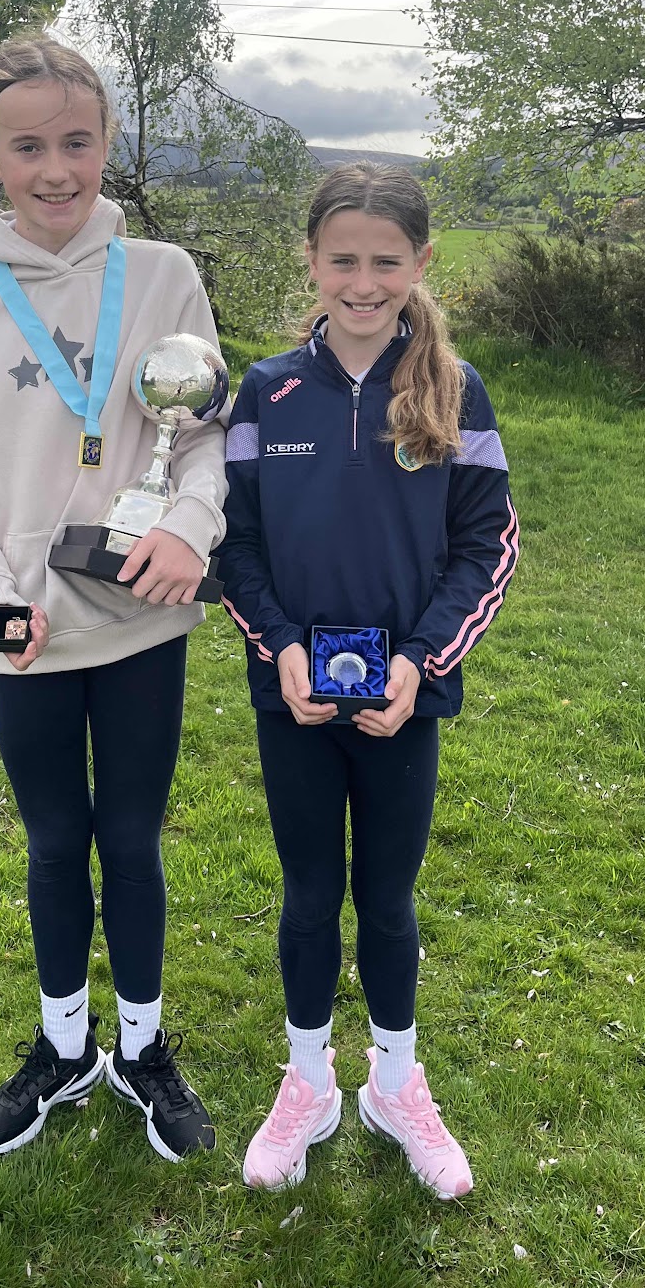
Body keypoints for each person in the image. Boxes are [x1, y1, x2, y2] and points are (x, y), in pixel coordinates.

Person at [0, 35, 226, 1163]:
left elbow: (204, 435)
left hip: (140, 618)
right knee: (53, 844)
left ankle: (139, 1047)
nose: (55, 169)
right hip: (25, 633)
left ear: (107, 143)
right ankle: (63, 1045)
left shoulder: (166, 274)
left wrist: (189, 526)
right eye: (28, 147)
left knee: (130, 840)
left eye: (77, 142)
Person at [218, 163, 518, 1196]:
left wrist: (420, 661)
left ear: (420, 262)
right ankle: (308, 1081)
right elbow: (235, 544)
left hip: (402, 700)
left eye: (386, 262)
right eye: (342, 259)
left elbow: (486, 546)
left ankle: (395, 1083)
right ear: (311, 260)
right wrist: (281, 648)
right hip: (294, 697)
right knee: (309, 895)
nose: (363, 282)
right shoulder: (266, 389)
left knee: (386, 899)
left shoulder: (455, 389)